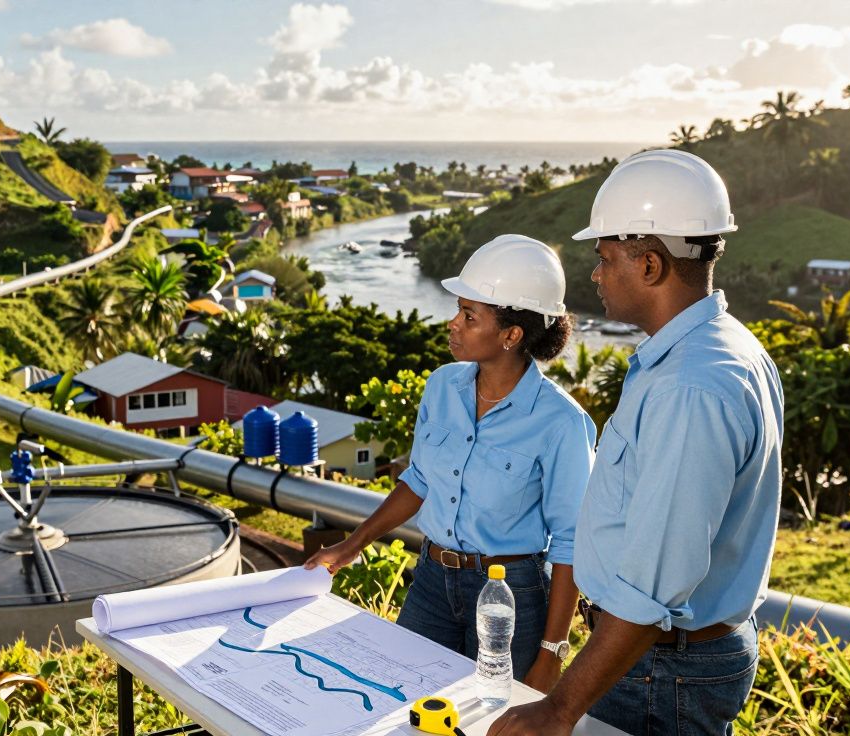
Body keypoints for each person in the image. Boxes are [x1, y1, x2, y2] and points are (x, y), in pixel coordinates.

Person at [489, 150, 784, 736]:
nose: (595, 275)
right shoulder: (720, 348)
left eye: (603, 259)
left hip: (660, 666)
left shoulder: (689, 386)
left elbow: (653, 585)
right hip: (663, 657)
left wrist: (557, 708)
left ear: (649, 265)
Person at [305, 234, 596, 694]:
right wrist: (352, 544)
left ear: (511, 335)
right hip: (432, 581)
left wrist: (550, 653)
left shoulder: (561, 422)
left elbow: (571, 544)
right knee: (402, 700)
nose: (453, 324)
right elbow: (418, 481)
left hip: (510, 596)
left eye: (468, 315)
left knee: (496, 714)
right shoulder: (442, 386)